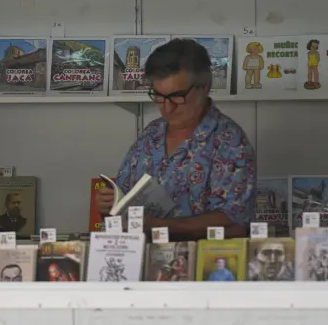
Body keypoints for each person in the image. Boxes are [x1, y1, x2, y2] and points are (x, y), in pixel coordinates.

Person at [95, 39, 256, 240]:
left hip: (202, 264)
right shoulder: (150, 135)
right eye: (159, 96)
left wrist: (160, 226)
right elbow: (124, 205)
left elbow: (235, 222)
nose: (167, 108)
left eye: (177, 96)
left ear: (204, 86)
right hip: (141, 261)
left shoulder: (230, 142)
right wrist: (109, 205)